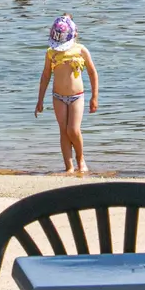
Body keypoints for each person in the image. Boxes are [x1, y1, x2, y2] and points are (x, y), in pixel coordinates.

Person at [34, 15, 98, 174]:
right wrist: (40, 100)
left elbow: (92, 73)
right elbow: (45, 76)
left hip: (77, 96)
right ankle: (68, 166)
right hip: (58, 97)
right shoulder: (51, 53)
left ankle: (80, 159)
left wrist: (94, 96)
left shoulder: (81, 50)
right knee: (63, 130)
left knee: (73, 130)